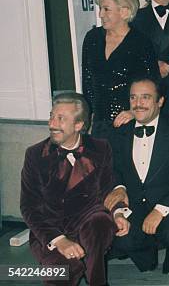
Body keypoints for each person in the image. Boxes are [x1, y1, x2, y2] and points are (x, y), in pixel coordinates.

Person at [20, 92, 122, 286]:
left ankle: (97, 281)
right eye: (51, 116)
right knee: (58, 277)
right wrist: (59, 240)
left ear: (79, 125)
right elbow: (28, 207)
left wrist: (118, 212)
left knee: (100, 222)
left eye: (60, 119)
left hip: (88, 225)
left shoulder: (101, 148)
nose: (52, 124)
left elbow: (109, 188)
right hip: (50, 231)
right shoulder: (34, 155)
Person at [104, 77, 169, 274]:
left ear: (160, 101)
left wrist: (159, 210)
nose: (138, 104)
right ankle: (147, 257)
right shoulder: (119, 133)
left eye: (145, 97)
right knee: (122, 236)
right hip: (135, 205)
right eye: (133, 98)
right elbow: (114, 170)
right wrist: (120, 189)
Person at [82, 0, 159, 139]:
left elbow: (153, 83)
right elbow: (88, 80)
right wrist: (89, 115)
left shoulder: (141, 42)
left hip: (131, 121)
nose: (101, 14)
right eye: (100, 9)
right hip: (99, 123)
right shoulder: (92, 38)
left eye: (106, 9)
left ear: (124, 11)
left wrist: (134, 111)